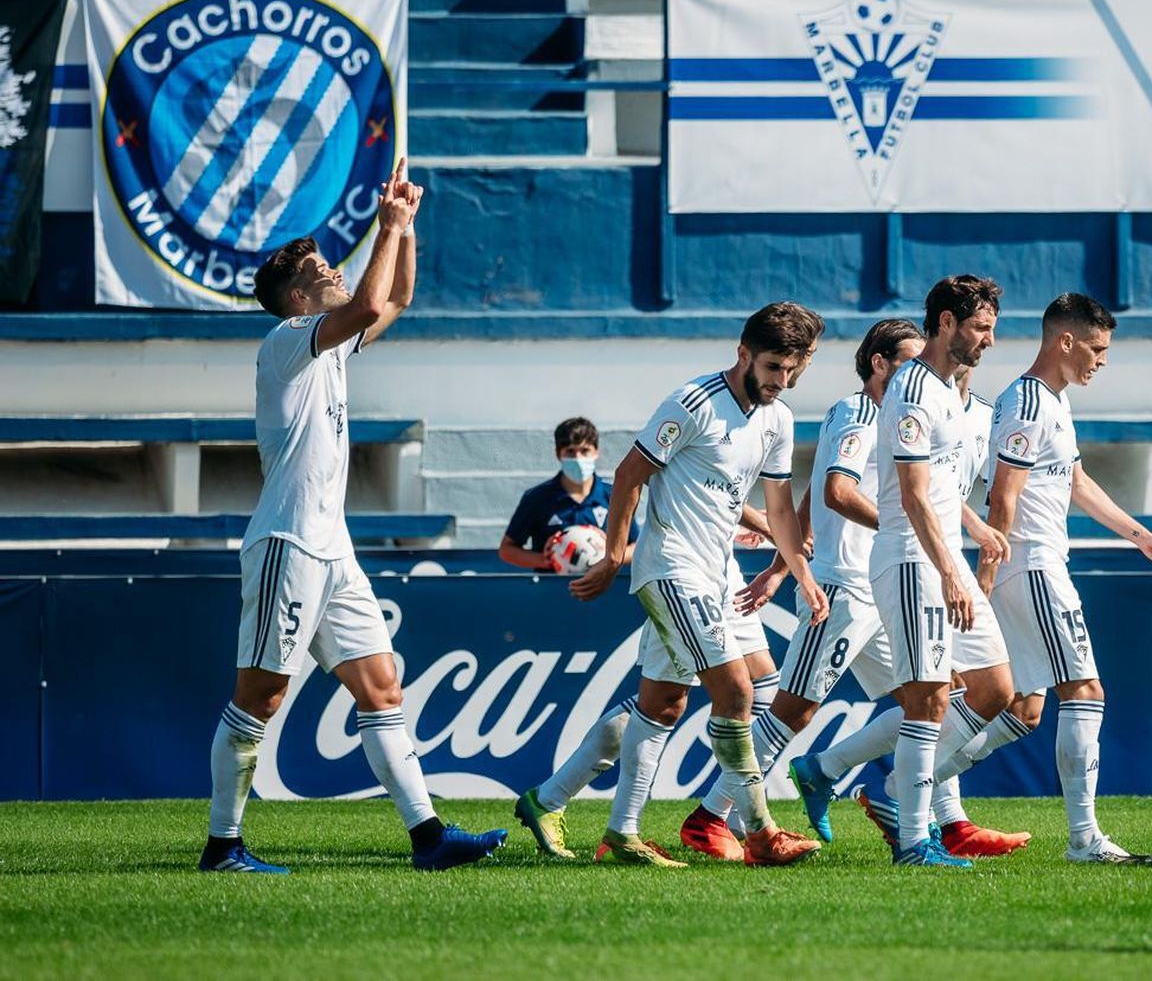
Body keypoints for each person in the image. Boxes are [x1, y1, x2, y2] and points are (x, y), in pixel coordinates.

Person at [199, 159, 505, 874]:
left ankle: (429, 837)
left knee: (382, 686)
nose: (337, 269)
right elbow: (366, 305)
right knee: (260, 697)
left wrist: (404, 225)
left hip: (330, 548)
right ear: (300, 296)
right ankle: (223, 844)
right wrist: (386, 226)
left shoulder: (326, 349)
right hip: (288, 541)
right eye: (324, 267)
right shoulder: (286, 343)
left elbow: (393, 295)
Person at [512, 310, 823, 861]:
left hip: (720, 573)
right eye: (774, 366)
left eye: (792, 371)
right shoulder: (694, 402)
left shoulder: (777, 420)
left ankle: (574, 809)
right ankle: (759, 833)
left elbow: (772, 503)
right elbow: (631, 475)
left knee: (662, 704)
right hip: (673, 570)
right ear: (744, 351)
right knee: (737, 693)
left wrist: (795, 569)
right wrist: (612, 558)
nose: (781, 380)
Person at [675, 318, 925, 860]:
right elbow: (836, 491)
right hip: (842, 589)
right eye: (910, 363)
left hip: (875, 589)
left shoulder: (894, 421)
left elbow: (810, 497)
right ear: (879, 364)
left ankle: (829, 771)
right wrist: (909, 526)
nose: (920, 376)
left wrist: (780, 568)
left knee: (932, 700)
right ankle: (709, 817)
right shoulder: (858, 412)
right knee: (793, 709)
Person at [981, 293, 1152, 865]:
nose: (1102, 360)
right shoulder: (1027, 402)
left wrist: (1141, 536)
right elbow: (1004, 496)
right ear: (1064, 342)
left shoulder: (1054, 401)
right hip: (1031, 566)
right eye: (1097, 349)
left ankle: (910, 792)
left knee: (1023, 708)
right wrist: (985, 576)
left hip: (1033, 566)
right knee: (1085, 691)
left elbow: (1075, 482)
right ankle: (1083, 840)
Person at [859, 275, 1016, 868]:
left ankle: (899, 798)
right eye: (981, 327)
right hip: (911, 562)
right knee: (927, 698)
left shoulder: (949, 390)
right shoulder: (912, 388)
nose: (990, 341)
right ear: (946, 323)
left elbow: (945, 489)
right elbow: (915, 494)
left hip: (942, 555)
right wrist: (952, 571)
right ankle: (914, 842)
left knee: (997, 687)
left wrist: (975, 530)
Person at [498, 417, 638, 572]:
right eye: (570, 452)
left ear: (596, 452)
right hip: (551, 589)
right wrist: (544, 560)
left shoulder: (614, 495)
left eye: (585, 451)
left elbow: (636, 546)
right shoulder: (537, 498)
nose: (578, 459)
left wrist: (609, 557)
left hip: (602, 588)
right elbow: (507, 549)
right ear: (558, 454)